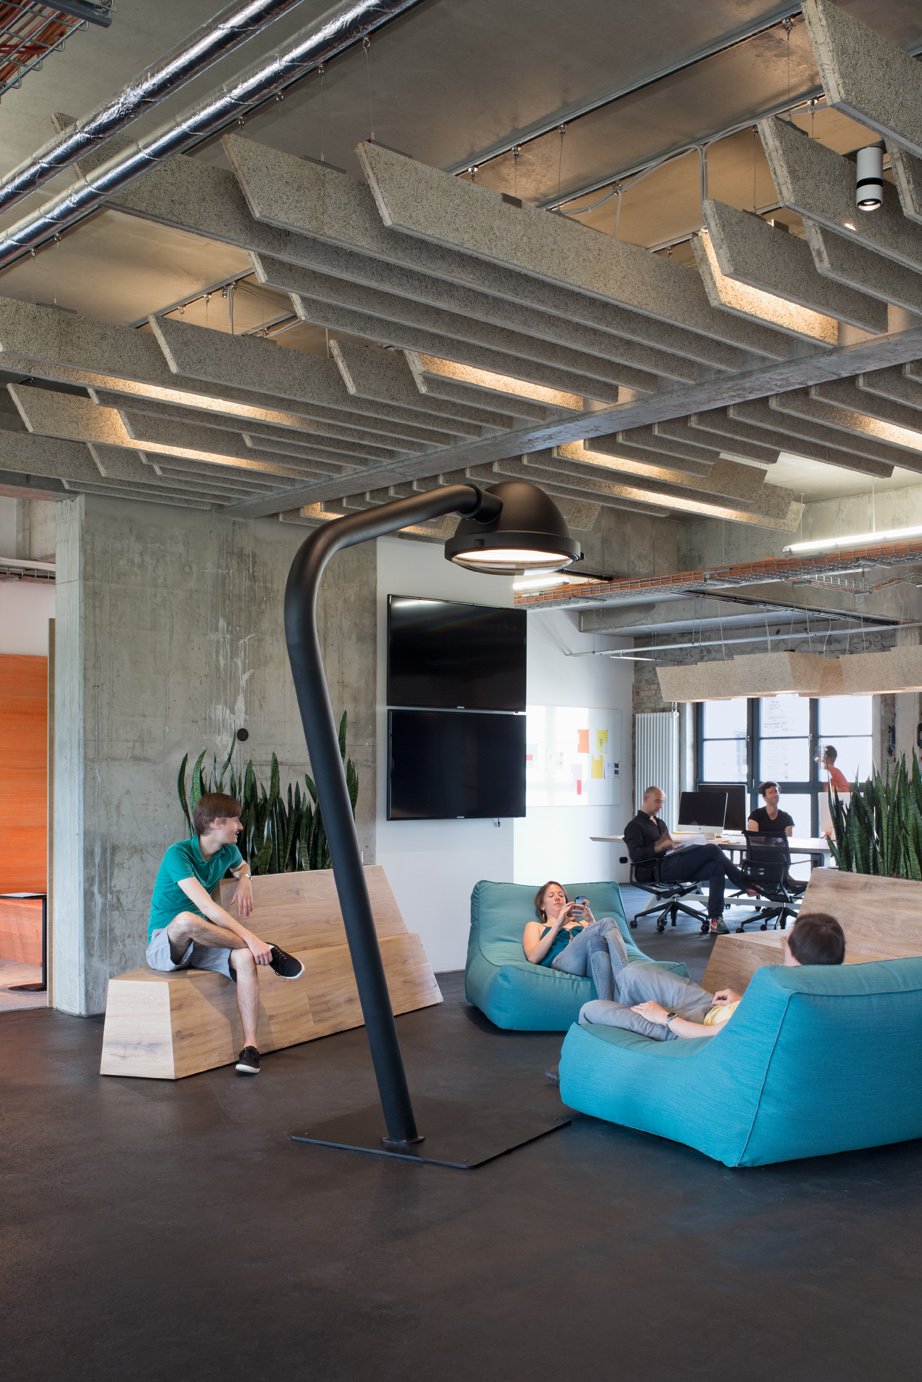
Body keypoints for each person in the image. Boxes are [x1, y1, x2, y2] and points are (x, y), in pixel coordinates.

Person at [147, 791, 304, 1076]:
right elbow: (207, 908)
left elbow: (242, 867)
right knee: (186, 920)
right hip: (166, 944)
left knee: (244, 957)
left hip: (202, 943)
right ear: (216, 822)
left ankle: (250, 1048)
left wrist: (245, 880)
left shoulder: (227, 852)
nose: (240, 826)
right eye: (235, 820)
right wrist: (253, 939)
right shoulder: (178, 854)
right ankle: (265, 947)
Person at [579, 911, 846, 1041]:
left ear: (797, 951)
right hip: (714, 1008)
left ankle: (611, 1041)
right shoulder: (828, 987)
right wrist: (741, 1001)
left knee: (591, 1010)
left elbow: (714, 1036)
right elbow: (751, 1021)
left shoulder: (784, 998)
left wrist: (665, 1017)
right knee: (633, 973)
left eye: (788, 938)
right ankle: (624, 1026)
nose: (784, 941)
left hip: (692, 1031)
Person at [623, 785, 747, 935]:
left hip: (670, 864)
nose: (660, 805)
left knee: (716, 868)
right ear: (645, 799)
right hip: (654, 870)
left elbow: (667, 848)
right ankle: (745, 884)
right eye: (657, 801)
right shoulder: (634, 826)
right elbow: (636, 856)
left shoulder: (660, 823)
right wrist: (657, 847)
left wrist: (678, 847)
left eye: (662, 802)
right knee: (713, 849)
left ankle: (715, 919)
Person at [523, 880, 627, 1002]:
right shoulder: (536, 926)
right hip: (562, 963)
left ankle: (607, 1004)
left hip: (588, 963)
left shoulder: (582, 923)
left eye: (561, 895)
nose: (557, 898)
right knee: (608, 922)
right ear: (542, 906)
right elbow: (533, 957)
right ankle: (626, 981)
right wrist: (558, 924)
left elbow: (604, 942)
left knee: (597, 941)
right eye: (551, 896)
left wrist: (591, 920)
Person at [746, 780, 807, 894]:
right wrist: (773, 841)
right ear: (764, 797)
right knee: (779, 860)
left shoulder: (786, 817)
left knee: (779, 858)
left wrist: (768, 840)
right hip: (759, 856)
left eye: (776, 791)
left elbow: (788, 839)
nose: (775, 794)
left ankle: (774, 888)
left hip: (778, 857)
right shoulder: (756, 815)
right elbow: (754, 838)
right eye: (771, 792)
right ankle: (785, 884)